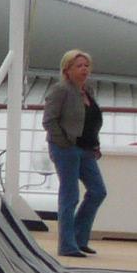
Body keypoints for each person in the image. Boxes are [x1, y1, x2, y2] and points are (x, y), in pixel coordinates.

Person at [43, 48, 108, 258]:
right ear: (67, 70)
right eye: (79, 66)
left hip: (86, 149)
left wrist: (94, 143)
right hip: (66, 149)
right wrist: (64, 142)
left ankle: (79, 237)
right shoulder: (60, 90)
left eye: (86, 65)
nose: (84, 69)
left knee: (98, 191)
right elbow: (49, 120)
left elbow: (90, 120)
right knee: (70, 196)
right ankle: (67, 245)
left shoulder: (88, 90)